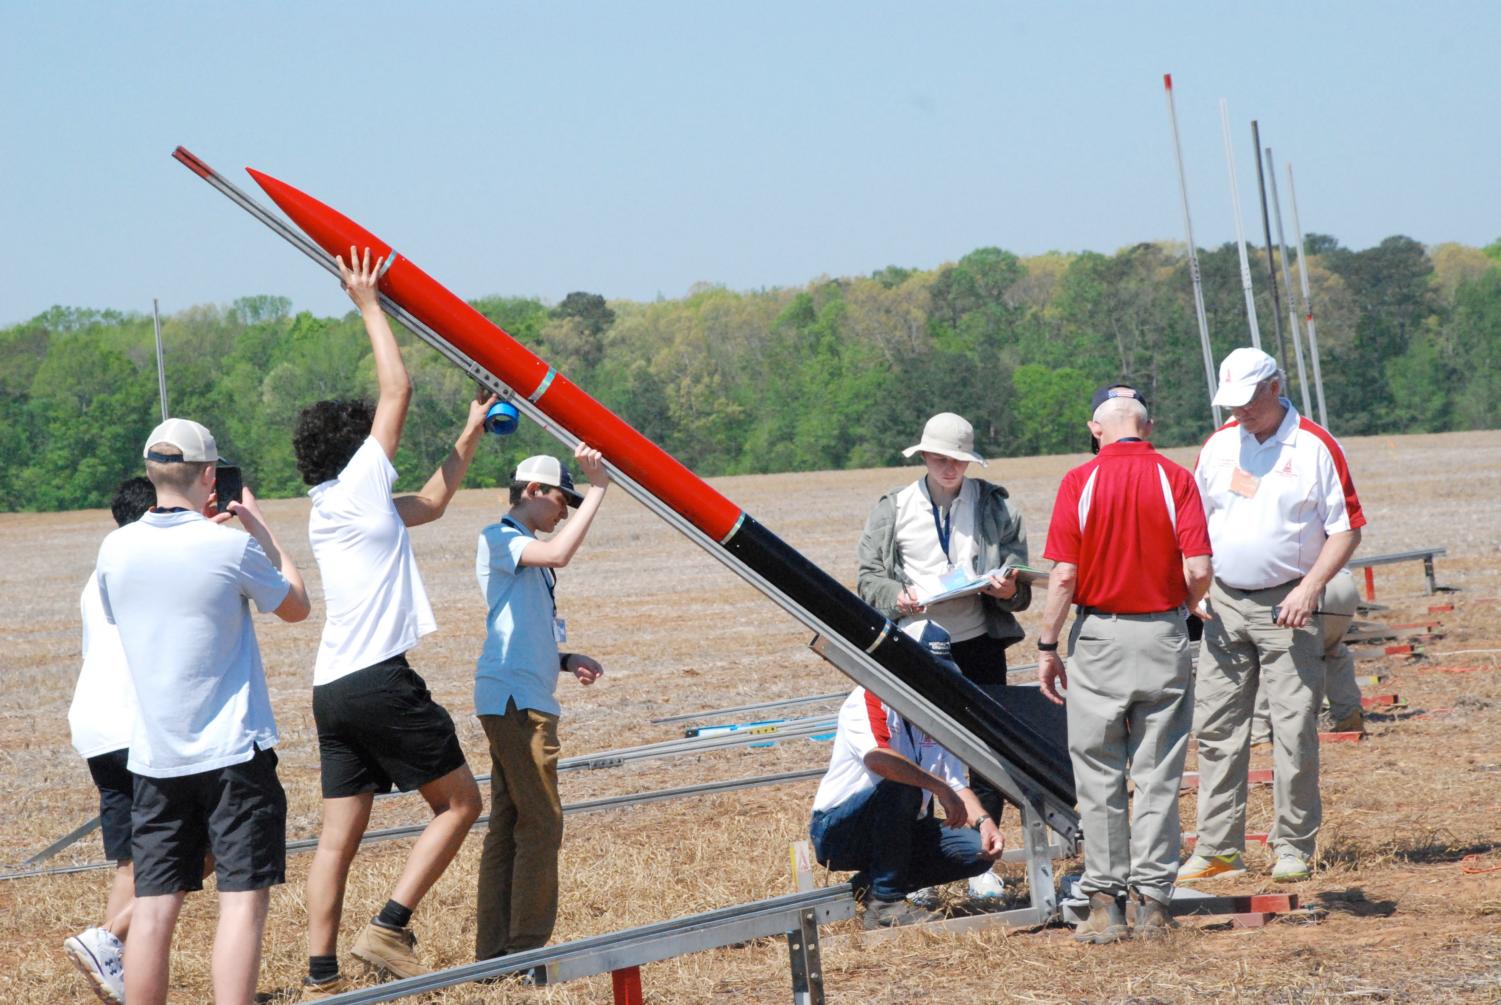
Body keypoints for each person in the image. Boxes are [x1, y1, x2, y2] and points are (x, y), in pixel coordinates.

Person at [297, 248, 488, 994]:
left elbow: (432, 504)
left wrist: (470, 430)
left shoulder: (336, 506)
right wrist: (369, 304)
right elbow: (397, 387)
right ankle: (391, 923)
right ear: (355, 452)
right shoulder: (358, 482)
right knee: (462, 802)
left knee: (336, 839)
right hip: (378, 679)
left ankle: (320, 971)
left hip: (331, 689)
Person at [95, 418, 310, 1005]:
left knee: (157, 907)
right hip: (233, 755)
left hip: (155, 758)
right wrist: (264, 533)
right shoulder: (230, 545)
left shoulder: (114, 548)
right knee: (241, 901)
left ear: (151, 472)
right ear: (210, 476)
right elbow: (296, 607)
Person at [1179, 348, 1365, 885]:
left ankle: (1292, 845)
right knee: (1216, 729)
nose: (1240, 413)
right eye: (1231, 404)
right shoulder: (1217, 447)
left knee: (1292, 729)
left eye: (1248, 402)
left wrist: (1311, 587)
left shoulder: (1314, 445)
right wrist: (1195, 588)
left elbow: (1346, 527)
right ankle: (1218, 848)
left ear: (1274, 387)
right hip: (1223, 604)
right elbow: (1196, 524)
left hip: (1290, 603)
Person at [1036, 386, 1213, 941]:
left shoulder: (1079, 482)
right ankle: (1155, 903)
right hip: (1162, 633)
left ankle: (1105, 905)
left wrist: (1047, 643)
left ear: (1095, 428)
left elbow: (1064, 575)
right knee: (1159, 774)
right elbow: (1201, 565)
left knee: (1099, 773)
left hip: (1100, 639)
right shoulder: (1176, 477)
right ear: (1148, 424)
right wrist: (1178, 611)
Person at [855, 411, 1030, 901]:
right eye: (938, 458)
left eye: (957, 460)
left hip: (978, 643)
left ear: (970, 462)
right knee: (918, 752)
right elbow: (869, 578)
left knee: (986, 752)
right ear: (924, 457)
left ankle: (981, 860)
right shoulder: (894, 508)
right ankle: (923, 863)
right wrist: (897, 597)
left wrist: (1007, 587)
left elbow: (1020, 584)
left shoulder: (995, 506)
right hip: (915, 645)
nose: (948, 467)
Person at [473, 447, 610, 961]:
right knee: (543, 822)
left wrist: (566, 657)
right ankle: (525, 949)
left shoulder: (524, 550)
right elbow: (560, 553)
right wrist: (598, 488)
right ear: (531, 491)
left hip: (521, 696)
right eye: (562, 499)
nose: (566, 511)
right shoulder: (500, 538)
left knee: (510, 826)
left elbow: (523, 629)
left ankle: (496, 954)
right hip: (515, 703)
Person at [809, 622, 1005, 928]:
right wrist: (936, 786)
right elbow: (879, 760)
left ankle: (870, 886)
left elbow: (954, 781)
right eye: (923, 669)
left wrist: (983, 821)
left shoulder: (935, 715)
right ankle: (886, 903)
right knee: (904, 787)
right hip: (840, 832)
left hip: (903, 825)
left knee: (978, 853)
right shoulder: (868, 698)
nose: (930, 679)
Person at [63, 477, 154, 1004]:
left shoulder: (95, 575)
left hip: (95, 725)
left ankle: (114, 964)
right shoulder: (150, 565)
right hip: (134, 723)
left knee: (132, 859)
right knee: (200, 844)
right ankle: (109, 938)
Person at [1250, 568, 1364, 744]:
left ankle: (1258, 733)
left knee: (1276, 657)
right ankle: (1350, 715)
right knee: (1333, 651)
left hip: (1302, 589)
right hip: (1342, 584)